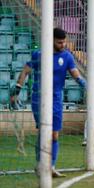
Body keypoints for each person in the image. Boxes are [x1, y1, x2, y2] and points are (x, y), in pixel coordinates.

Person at [11, 28, 86, 177]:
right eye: (59, 42)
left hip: (57, 100)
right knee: (44, 132)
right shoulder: (39, 54)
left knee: (54, 135)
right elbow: (25, 71)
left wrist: (87, 86)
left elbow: (76, 75)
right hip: (39, 98)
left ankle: (50, 166)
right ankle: (40, 164)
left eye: (64, 41)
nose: (63, 44)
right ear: (51, 40)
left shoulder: (67, 56)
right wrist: (17, 91)